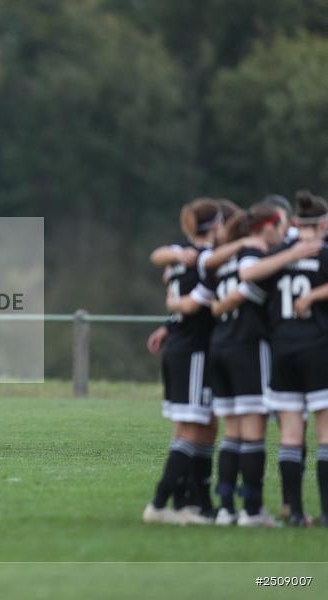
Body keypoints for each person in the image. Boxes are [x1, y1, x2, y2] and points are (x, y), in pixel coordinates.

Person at [167, 203, 286, 526]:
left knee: (231, 434)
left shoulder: (219, 263)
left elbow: (212, 303)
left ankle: (225, 508)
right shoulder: (254, 259)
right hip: (247, 346)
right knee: (252, 432)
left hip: (218, 346)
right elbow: (243, 292)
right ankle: (251, 509)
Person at [240, 190, 328, 527]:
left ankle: (293, 511)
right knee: (324, 434)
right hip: (318, 349)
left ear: (294, 223)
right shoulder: (324, 254)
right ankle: (326, 514)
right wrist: (315, 296)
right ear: (323, 224)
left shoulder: (277, 257)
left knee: (291, 435)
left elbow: (249, 281)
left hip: (282, 351)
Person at [143, 198, 220, 525]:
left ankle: (194, 503)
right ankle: (161, 503)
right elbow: (190, 306)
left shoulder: (181, 256)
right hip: (194, 351)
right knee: (191, 429)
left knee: (201, 427)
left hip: (181, 346)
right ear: (215, 226)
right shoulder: (206, 260)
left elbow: (158, 256)